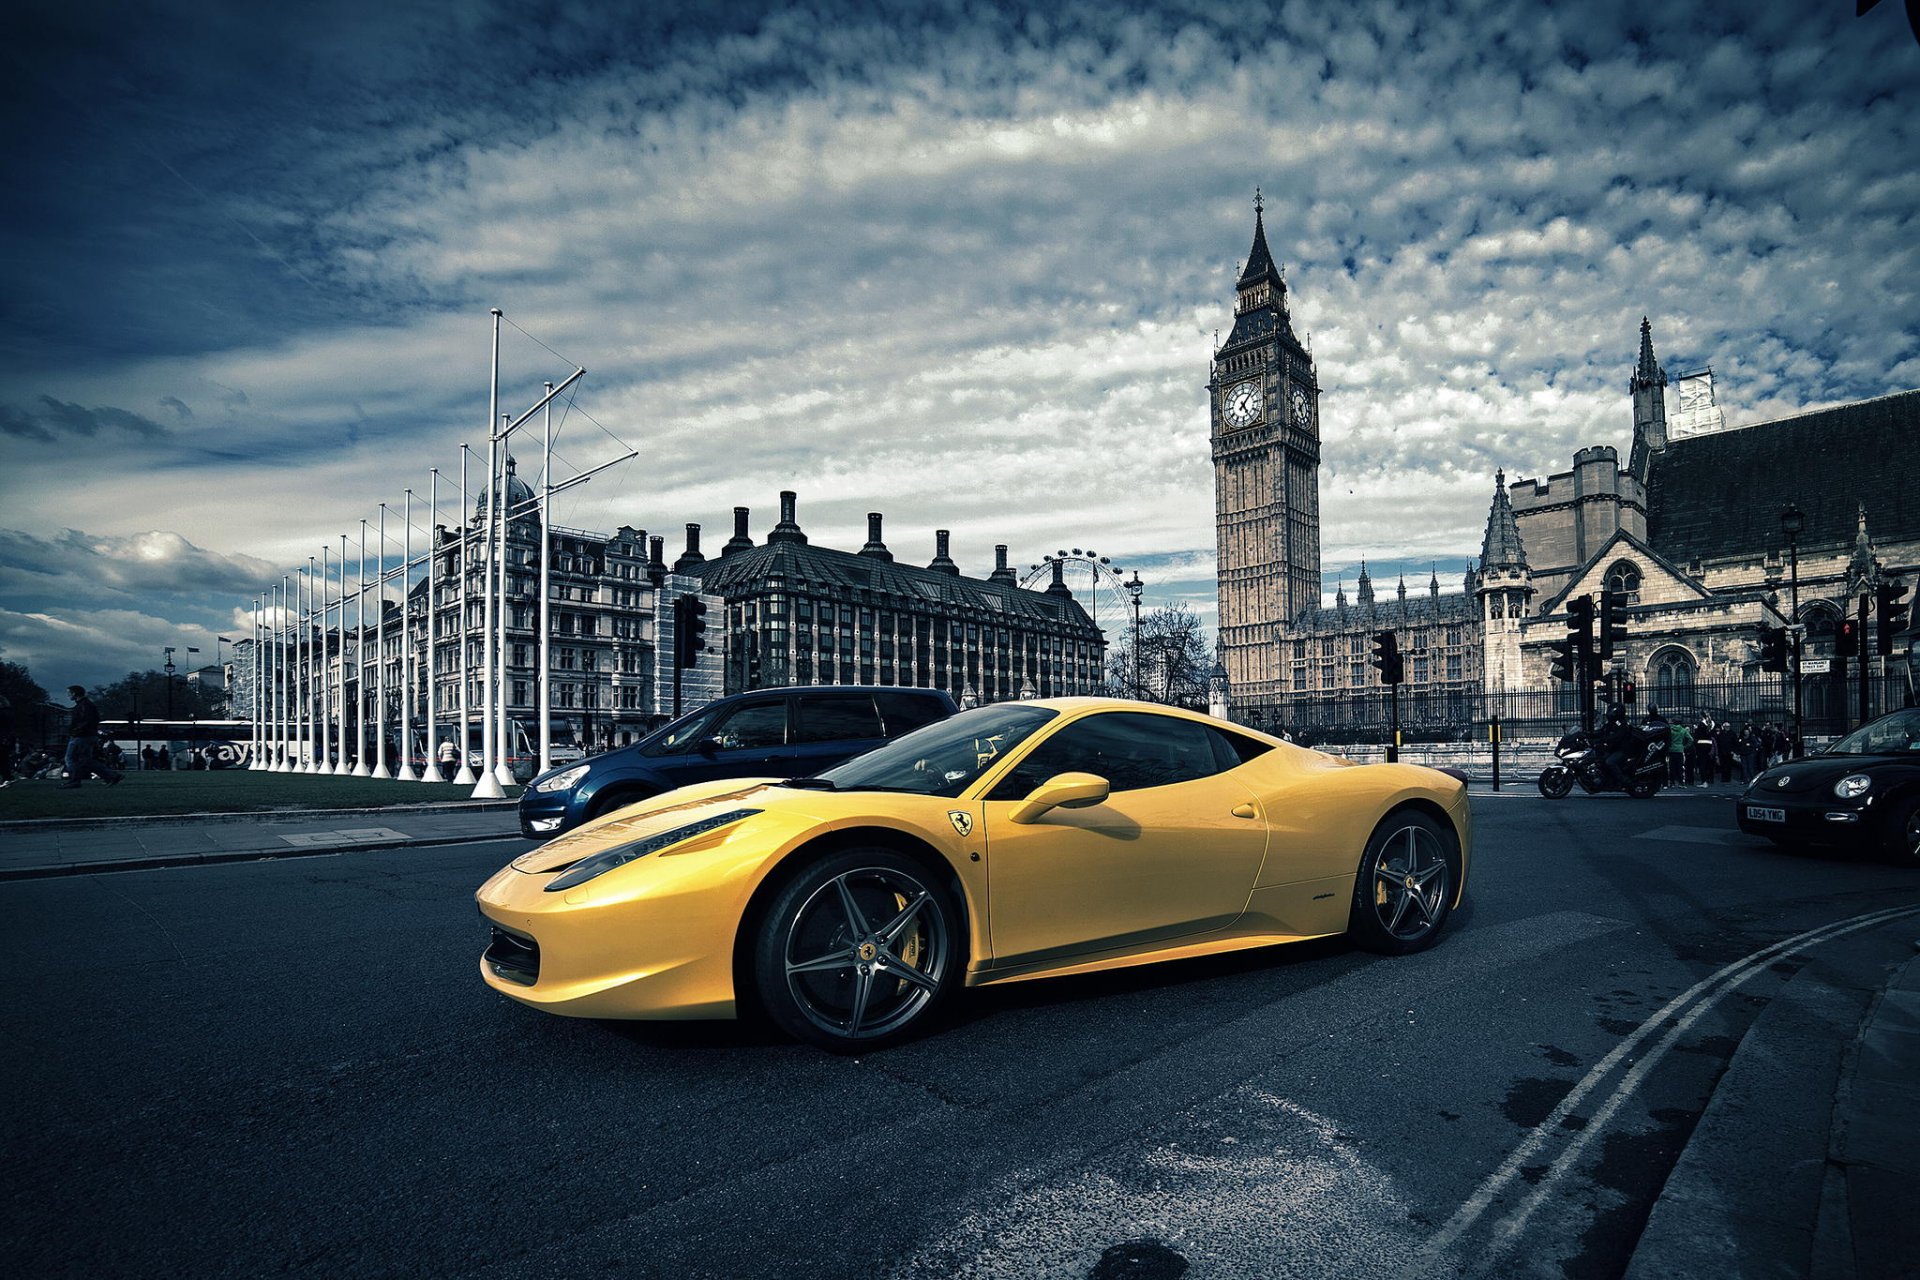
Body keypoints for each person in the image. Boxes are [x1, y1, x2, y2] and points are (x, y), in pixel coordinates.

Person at [59, 685, 123, 789]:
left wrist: (75, 731)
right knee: (86, 760)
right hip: (87, 735)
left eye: (69, 693)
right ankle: (112, 776)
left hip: (81, 736)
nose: (68, 695)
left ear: (74, 693)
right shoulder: (86, 705)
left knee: (70, 758)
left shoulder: (83, 706)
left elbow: (87, 721)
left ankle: (74, 780)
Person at [1598, 703, 1637, 788]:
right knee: (1600, 760)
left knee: (1610, 762)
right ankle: (1606, 780)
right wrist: (1586, 735)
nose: (1609, 713)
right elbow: (1601, 732)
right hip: (1613, 749)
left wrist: (1605, 739)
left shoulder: (1622, 724)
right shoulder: (1611, 723)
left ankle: (1623, 780)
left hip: (1622, 750)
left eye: (1611, 711)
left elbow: (1617, 737)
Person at [1667, 716, 1693, 785]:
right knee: (1680, 766)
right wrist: (1685, 746)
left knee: (1672, 767)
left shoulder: (1670, 730)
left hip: (1672, 749)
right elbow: (1691, 739)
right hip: (1680, 750)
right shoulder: (1683, 730)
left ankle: (1672, 782)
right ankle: (1681, 782)